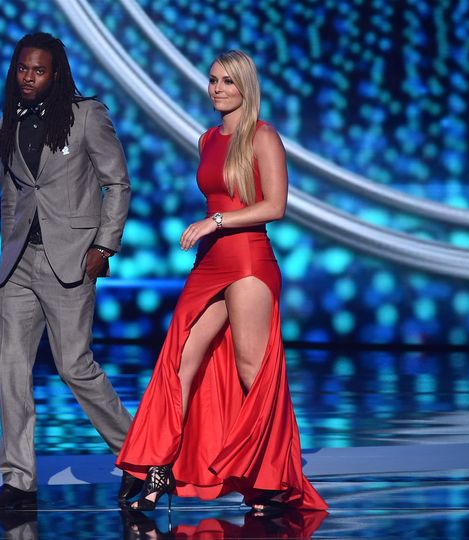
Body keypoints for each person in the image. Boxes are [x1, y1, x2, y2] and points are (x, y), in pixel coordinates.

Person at [115, 50, 328, 514]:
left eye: (227, 82)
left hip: (248, 259)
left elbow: (275, 206)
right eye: (212, 81)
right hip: (211, 263)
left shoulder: (263, 136)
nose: (216, 89)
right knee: (179, 361)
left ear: (244, 87)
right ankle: (159, 468)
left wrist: (215, 221)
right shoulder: (206, 138)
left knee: (253, 370)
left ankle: (272, 478)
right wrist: (214, 227)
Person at [0, 32, 143, 511]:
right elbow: (13, 193)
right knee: (9, 369)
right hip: (18, 264)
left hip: (71, 258)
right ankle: (18, 481)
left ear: (56, 73)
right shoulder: (8, 119)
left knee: (75, 366)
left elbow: (118, 182)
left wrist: (104, 245)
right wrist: (7, 250)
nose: (28, 78)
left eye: (39, 70)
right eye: (23, 69)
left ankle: (140, 456)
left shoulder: (86, 114)